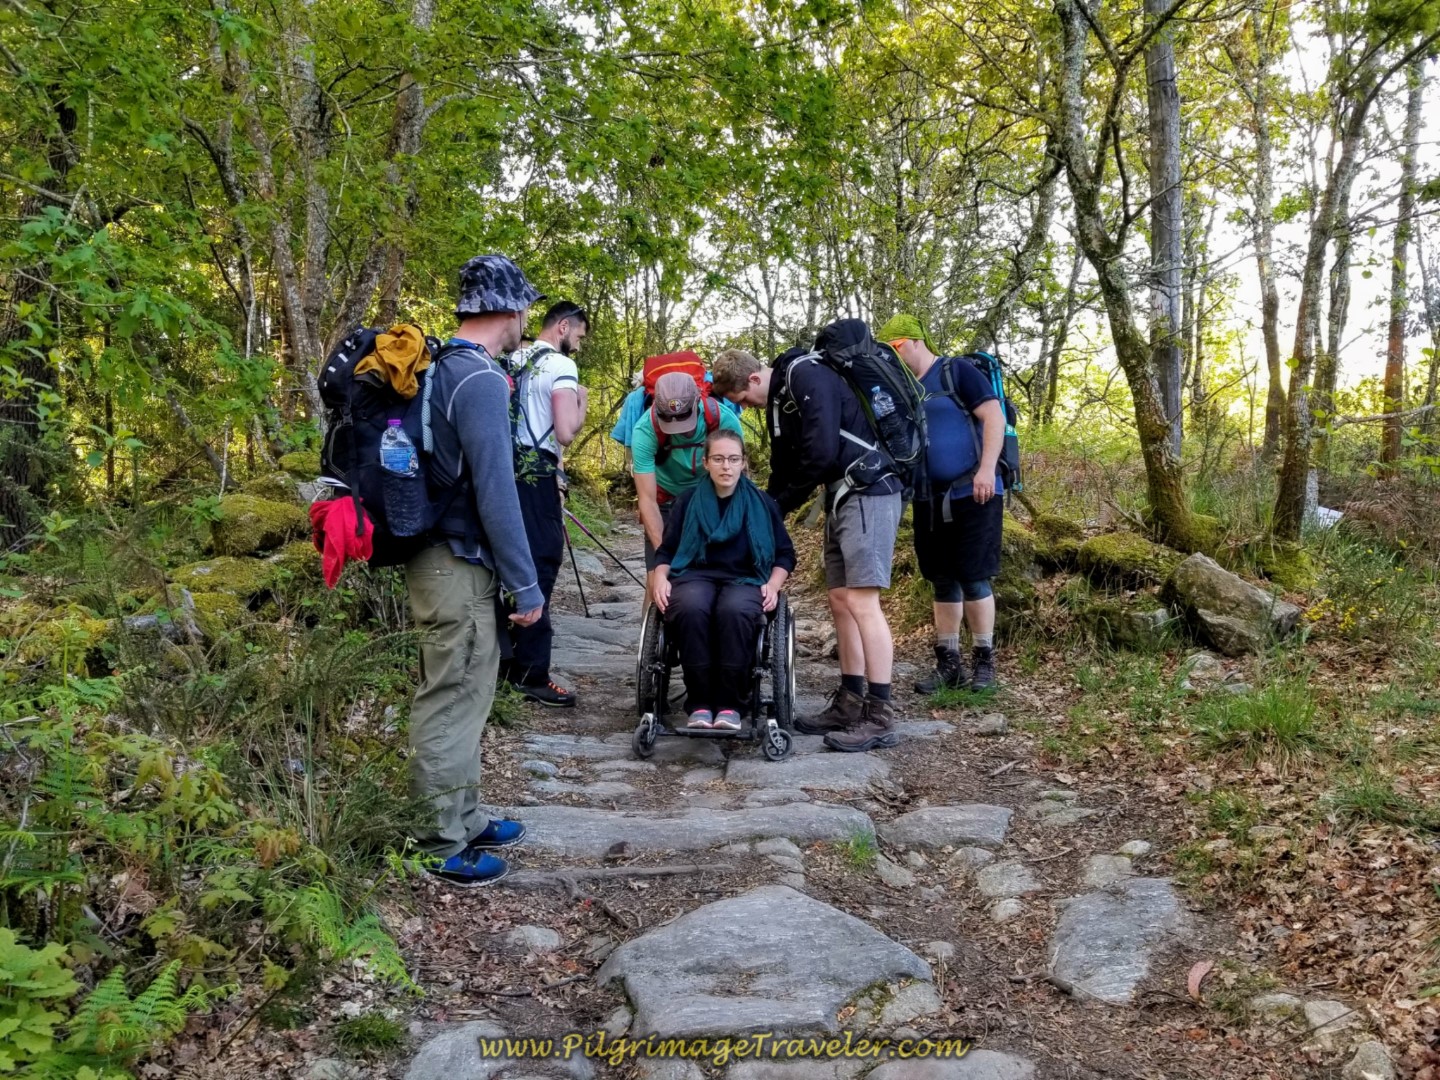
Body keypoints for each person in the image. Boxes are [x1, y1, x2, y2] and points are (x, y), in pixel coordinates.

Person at [405, 255, 546, 887]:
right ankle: (439, 842)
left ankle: (465, 817)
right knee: (452, 695)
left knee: (470, 690)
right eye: (525, 310)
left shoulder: (447, 367)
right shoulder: (481, 380)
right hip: (455, 563)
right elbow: (496, 492)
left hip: (450, 559)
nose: (527, 321)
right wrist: (527, 582)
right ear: (508, 310)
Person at [712, 326, 904, 753]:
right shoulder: (782, 398)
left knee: (862, 600)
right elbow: (786, 463)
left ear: (754, 380)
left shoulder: (806, 376)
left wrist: (780, 504)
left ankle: (880, 713)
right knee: (840, 598)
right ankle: (850, 700)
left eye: (744, 400)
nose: (745, 408)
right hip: (843, 496)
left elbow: (817, 453)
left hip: (870, 489)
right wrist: (766, 507)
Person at [878, 314, 1004, 691]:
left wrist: (986, 470)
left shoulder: (957, 372)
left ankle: (985, 661)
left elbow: (993, 417)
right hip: (928, 497)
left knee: (974, 576)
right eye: (889, 352)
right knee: (941, 579)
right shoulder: (903, 387)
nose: (895, 356)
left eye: (897, 347)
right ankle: (948, 662)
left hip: (974, 490)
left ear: (916, 341)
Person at [652, 429, 795, 730]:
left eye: (733, 459)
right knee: (690, 607)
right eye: (718, 459)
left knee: (735, 612)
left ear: (744, 463)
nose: (726, 466)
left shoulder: (762, 503)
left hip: (745, 578)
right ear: (705, 462)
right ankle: (700, 703)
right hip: (694, 574)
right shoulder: (688, 501)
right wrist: (660, 579)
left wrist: (772, 584)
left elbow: (784, 555)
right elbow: (667, 550)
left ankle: (731, 704)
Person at [503, 301, 590, 707]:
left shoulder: (510, 357)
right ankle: (532, 673)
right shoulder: (560, 366)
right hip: (536, 470)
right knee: (542, 559)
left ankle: (504, 659)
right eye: (580, 336)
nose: (579, 345)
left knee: (505, 558)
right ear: (564, 326)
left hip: (501, 465)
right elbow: (567, 431)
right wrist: (582, 401)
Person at [631, 365, 743, 599]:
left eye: (683, 418)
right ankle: (650, 632)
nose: (677, 427)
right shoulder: (645, 430)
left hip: (712, 497)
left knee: (719, 574)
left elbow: (738, 483)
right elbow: (647, 500)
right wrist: (665, 555)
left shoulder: (723, 420)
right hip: (664, 500)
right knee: (656, 584)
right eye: (669, 420)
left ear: (698, 400)